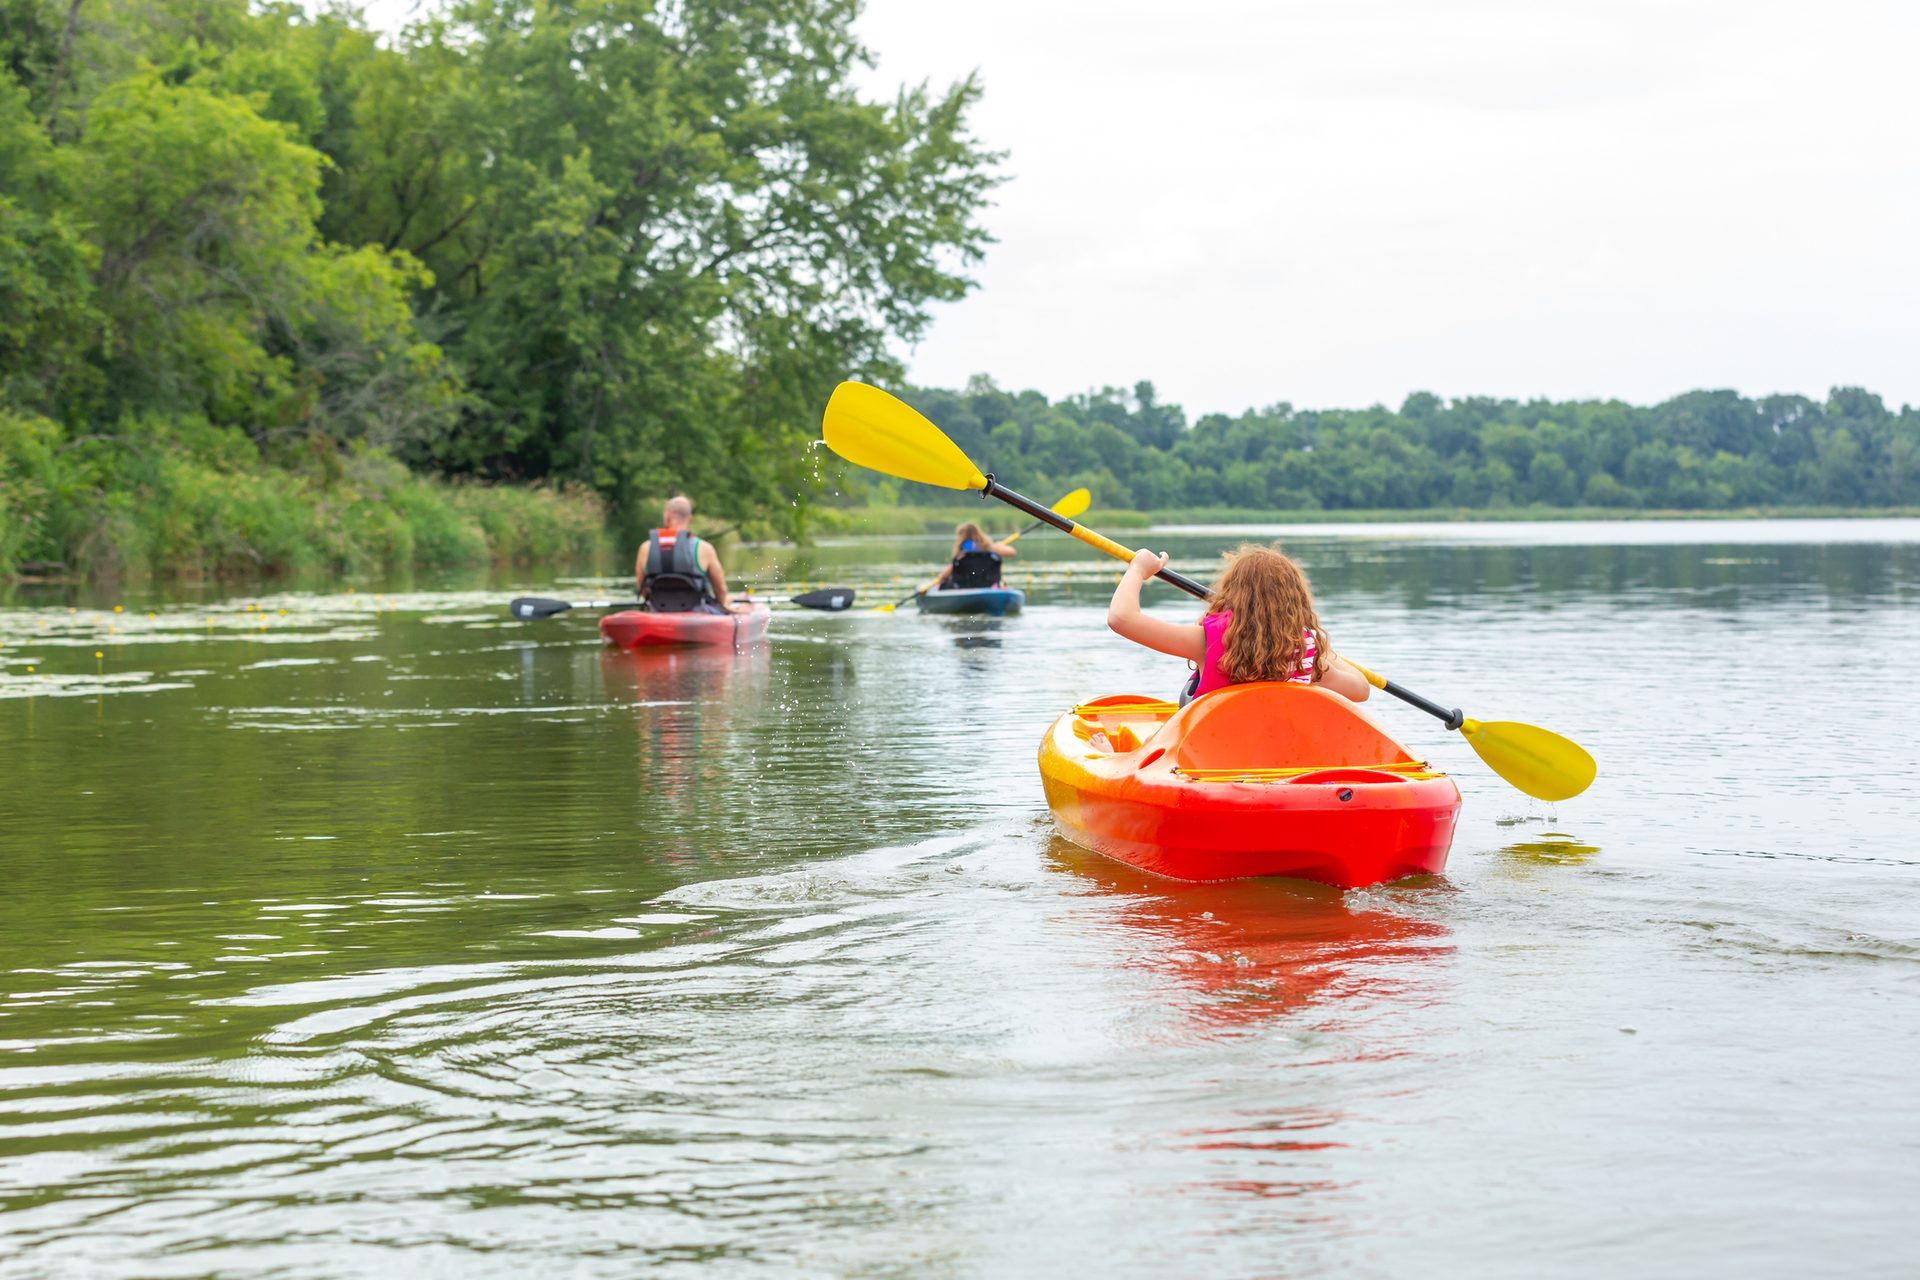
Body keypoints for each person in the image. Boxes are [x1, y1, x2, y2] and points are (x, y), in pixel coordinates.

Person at [1107, 543, 1371, 703]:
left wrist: (1138, 569)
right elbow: (1361, 689)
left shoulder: (1206, 642)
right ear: (1295, 602)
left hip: (1213, 756)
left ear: (1232, 593)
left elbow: (1121, 618)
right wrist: (1317, 644)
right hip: (1279, 756)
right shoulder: (1306, 654)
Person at [636, 495, 740, 613]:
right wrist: (723, 605)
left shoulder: (646, 548)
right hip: (696, 613)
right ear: (690, 519)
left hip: (658, 610)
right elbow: (720, 589)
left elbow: (641, 587)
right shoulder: (704, 548)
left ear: (667, 516)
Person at [933, 521, 1016, 590]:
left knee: (944, 581)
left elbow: (950, 569)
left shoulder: (962, 551)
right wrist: (997, 546)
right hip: (989, 586)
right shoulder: (990, 548)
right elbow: (1012, 552)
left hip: (964, 588)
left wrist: (941, 578)